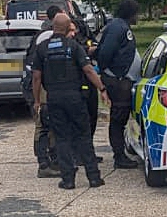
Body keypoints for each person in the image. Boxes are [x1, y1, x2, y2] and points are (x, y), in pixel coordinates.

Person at [32, 13, 110, 189]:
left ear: (53, 27)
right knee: (84, 135)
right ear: (68, 28)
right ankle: (94, 177)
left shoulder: (43, 48)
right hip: (75, 98)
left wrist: (37, 100)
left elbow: (36, 78)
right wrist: (102, 89)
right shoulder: (73, 47)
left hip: (54, 98)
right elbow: (89, 70)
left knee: (62, 138)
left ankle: (68, 180)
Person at [97, 0, 141, 169]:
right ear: (130, 14)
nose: (138, 16)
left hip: (122, 80)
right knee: (118, 119)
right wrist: (115, 74)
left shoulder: (120, 26)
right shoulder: (118, 27)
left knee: (120, 118)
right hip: (118, 82)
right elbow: (105, 53)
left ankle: (121, 152)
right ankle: (119, 156)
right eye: (136, 13)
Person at [23, 5, 63, 178]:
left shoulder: (44, 34)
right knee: (43, 124)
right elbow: (38, 71)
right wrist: (37, 99)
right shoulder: (47, 36)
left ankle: (53, 160)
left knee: (51, 123)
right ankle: (44, 163)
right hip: (38, 85)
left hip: (42, 84)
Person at [68, 20, 103, 164]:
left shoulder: (84, 35)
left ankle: (87, 152)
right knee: (79, 122)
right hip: (76, 86)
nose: (74, 32)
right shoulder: (68, 45)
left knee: (91, 119)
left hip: (88, 84)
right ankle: (78, 154)